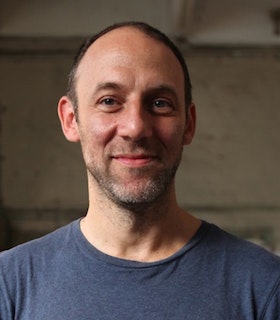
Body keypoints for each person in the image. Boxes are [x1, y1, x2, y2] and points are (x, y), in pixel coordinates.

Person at [0, 21, 279, 320]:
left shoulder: (264, 286)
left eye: (160, 103)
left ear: (189, 124)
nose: (135, 128)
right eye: (109, 101)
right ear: (71, 120)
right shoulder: (9, 284)